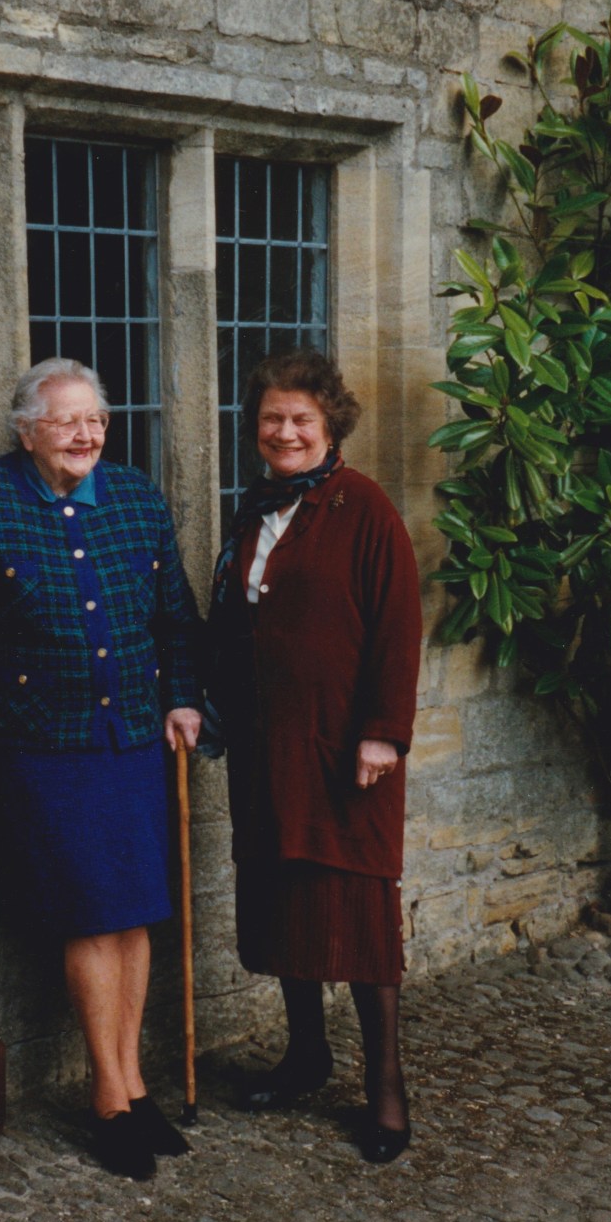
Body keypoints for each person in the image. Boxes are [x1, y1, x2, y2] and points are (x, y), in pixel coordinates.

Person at [0, 357, 203, 1181]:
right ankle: (109, 1099)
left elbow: (177, 617)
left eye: (96, 420)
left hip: (131, 737)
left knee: (134, 915)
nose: (85, 434)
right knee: (92, 916)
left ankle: (136, 1087)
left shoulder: (135, 496)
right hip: (43, 745)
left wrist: (184, 698)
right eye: (67, 421)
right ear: (26, 428)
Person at [208, 348, 422, 1164]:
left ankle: (387, 1089)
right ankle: (306, 1056)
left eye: (301, 419)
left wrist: (382, 733)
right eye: (271, 418)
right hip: (267, 748)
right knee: (282, 892)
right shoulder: (256, 511)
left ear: (330, 425)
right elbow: (237, 623)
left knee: (359, 911)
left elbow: (398, 628)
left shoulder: (363, 508)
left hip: (343, 751)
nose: (285, 431)